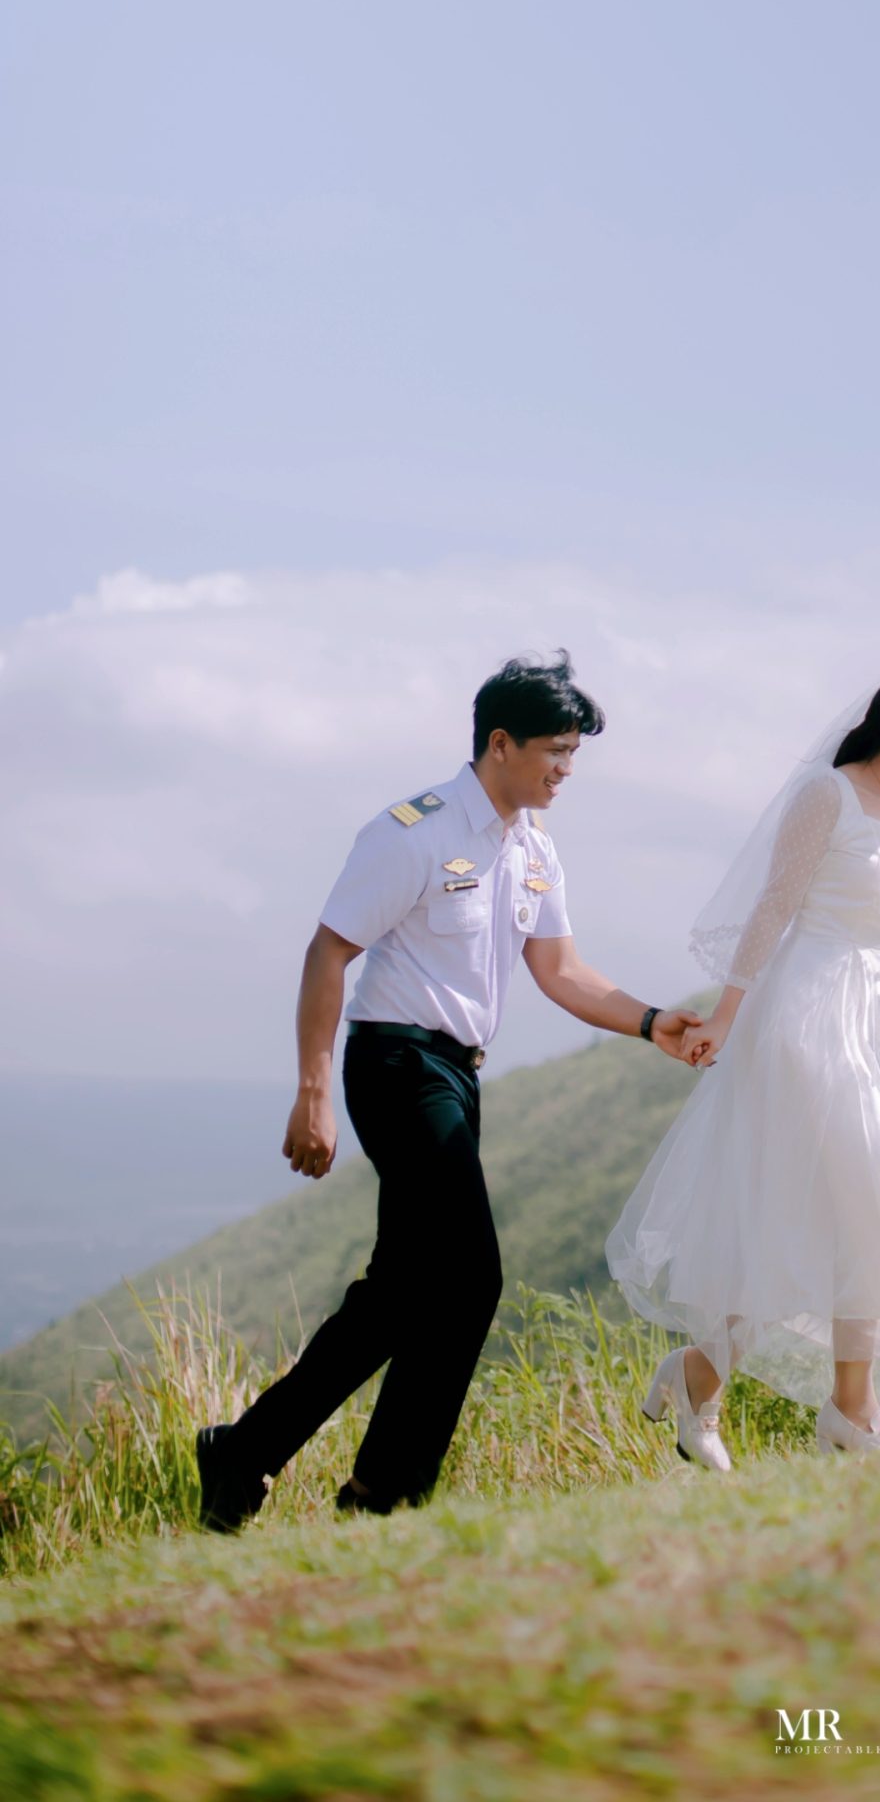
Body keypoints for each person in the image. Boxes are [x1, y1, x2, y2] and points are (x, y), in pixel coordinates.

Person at [195, 651, 704, 1530]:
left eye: (574, 754)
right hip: (395, 1064)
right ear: (500, 743)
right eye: (555, 750)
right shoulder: (414, 832)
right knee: (470, 1278)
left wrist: (651, 1020)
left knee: (403, 1288)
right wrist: (312, 1093)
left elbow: (561, 970)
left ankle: (246, 1451)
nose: (566, 770)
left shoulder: (534, 848)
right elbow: (329, 952)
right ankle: (385, 1493)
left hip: (456, 1077)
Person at [604, 656, 880, 1466]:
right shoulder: (826, 794)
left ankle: (718, 1379)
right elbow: (775, 907)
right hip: (803, 1013)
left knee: (841, 1211)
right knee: (854, 1194)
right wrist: (726, 1015)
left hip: (873, 1021)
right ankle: (850, 1410)